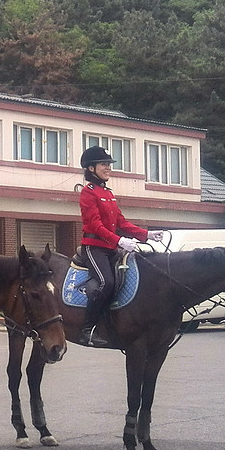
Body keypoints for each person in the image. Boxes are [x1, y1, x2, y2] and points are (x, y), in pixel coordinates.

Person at [78, 145, 160, 347]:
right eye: (104, 164)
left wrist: (146, 235)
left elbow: (121, 223)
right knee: (107, 282)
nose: (108, 168)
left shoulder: (108, 193)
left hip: (111, 248)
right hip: (94, 247)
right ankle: (87, 329)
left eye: (109, 164)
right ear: (91, 168)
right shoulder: (88, 193)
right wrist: (120, 241)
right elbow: (95, 225)